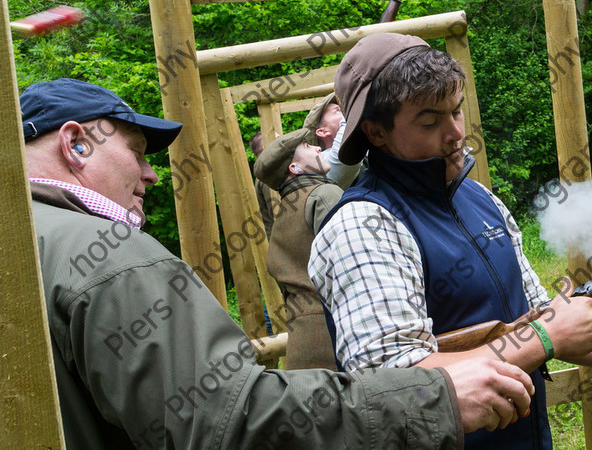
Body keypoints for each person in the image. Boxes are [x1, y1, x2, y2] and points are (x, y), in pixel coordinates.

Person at [22, 77, 537, 449]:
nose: (151, 174)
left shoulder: (27, 248)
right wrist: (434, 398)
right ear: (75, 143)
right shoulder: (113, 257)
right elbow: (227, 422)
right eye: (137, 152)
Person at [308, 34, 592, 449]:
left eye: (456, 111)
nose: (456, 132)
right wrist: (547, 337)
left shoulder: (482, 201)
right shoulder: (362, 225)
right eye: (430, 121)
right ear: (376, 133)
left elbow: (546, 326)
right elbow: (393, 387)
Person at [254, 127, 342, 369]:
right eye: (307, 146)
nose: (317, 147)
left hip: (302, 348)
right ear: (295, 168)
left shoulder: (285, 212)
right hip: (336, 342)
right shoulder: (323, 194)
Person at [302, 92, 363, 189]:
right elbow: (350, 124)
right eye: (338, 110)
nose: (345, 111)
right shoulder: (324, 162)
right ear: (323, 132)